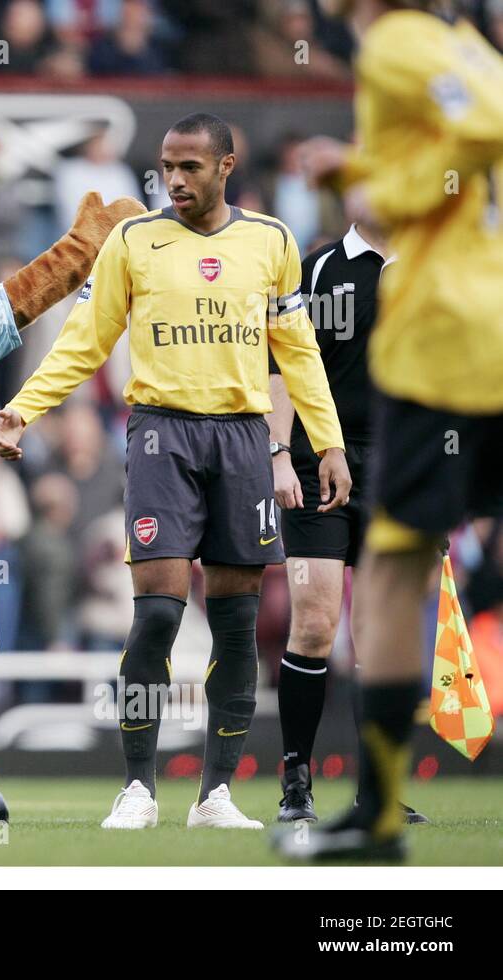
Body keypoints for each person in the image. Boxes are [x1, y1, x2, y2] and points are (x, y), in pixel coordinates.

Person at [0, 112, 350, 830]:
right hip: (161, 435)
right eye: (166, 167)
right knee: (155, 613)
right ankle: (138, 788)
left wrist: (328, 441)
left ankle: (215, 794)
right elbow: (84, 340)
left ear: (226, 165)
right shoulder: (133, 239)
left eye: (189, 167)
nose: (174, 180)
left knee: (237, 623)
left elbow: (297, 351)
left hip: (246, 441)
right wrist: (22, 409)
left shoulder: (271, 242)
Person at [274, 0, 503, 861]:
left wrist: (365, 175)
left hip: (446, 353)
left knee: (395, 578)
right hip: (464, 343)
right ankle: (343, 794)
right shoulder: (475, 48)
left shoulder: (397, 42)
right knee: (350, 601)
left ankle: (375, 814)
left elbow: (483, 132)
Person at [267, 221, 427, 826]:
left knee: (380, 634)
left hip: (397, 468)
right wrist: (279, 453)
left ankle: (376, 792)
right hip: (316, 460)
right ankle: (295, 784)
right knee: (314, 621)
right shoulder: (315, 270)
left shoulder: (430, 267)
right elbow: (279, 366)